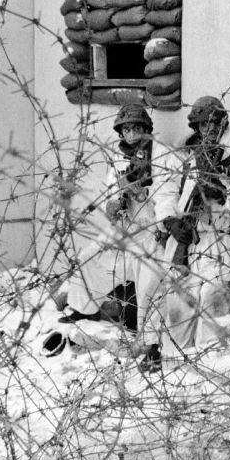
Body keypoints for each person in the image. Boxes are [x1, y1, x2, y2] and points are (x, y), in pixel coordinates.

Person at [56, 105, 181, 365]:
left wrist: (146, 202)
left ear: (146, 129)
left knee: (149, 286)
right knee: (90, 255)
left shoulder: (163, 156)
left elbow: (168, 195)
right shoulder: (119, 157)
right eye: (126, 129)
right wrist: (115, 204)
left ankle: (150, 345)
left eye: (137, 128)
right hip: (126, 229)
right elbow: (111, 193)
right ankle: (84, 308)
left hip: (152, 232)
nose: (132, 134)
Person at [151, 95, 230, 364]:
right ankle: (174, 364)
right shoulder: (187, 155)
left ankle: (209, 368)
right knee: (177, 301)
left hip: (223, 242)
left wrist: (224, 196)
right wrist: (169, 220)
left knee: (211, 299)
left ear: (223, 121)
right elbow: (166, 190)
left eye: (214, 123)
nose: (210, 129)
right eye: (203, 125)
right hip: (190, 240)